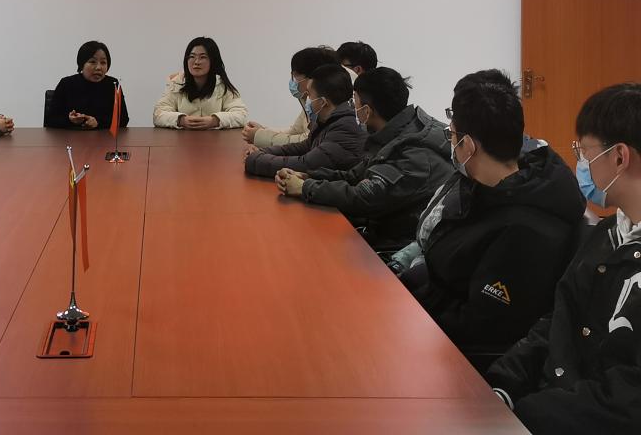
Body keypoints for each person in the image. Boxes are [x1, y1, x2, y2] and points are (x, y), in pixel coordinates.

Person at [392, 70, 585, 359]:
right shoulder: (479, 182)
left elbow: (481, 326)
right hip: (425, 306)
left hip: (458, 351)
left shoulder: (526, 230)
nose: (450, 143)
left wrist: (414, 294)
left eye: (451, 135)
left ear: (468, 146)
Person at [488, 83, 641, 434]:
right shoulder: (607, 234)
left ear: (619, 157)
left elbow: (628, 400)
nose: (581, 164)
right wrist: (502, 385)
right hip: (554, 402)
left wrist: (528, 413)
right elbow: (559, 319)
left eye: (584, 152)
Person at [274, 67, 451, 250]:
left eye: (354, 102)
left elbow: (365, 197)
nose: (352, 108)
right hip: (381, 230)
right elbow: (355, 176)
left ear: (367, 111)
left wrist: (305, 188)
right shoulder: (393, 133)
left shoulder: (413, 152)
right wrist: (308, 177)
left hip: (399, 247)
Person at [245, 64, 365, 178]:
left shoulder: (345, 129)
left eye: (309, 94)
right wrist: (263, 151)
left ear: (322, 102)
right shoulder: (328, 121)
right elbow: (302, 147)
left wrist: (256, 159)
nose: (307, 99)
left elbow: (305, 165)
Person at [242, 46, 337, 148]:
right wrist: (263, 131)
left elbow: (307, 141)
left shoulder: (325, 102)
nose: (293, 81)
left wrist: (259, 136)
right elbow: (295, 131)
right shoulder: (308, 99)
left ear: (311, 78)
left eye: (295, 76)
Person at [154, 37, 247, 130]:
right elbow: (158, 115)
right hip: (184, 138)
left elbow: (241, 115)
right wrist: (181, 120)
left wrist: (215, 121)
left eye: (203, 57)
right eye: (192, 57)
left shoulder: (222, 86)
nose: (196, 62)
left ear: (213, 61)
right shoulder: (176, 84)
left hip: (215, 138)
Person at [45, 41, 129, 130]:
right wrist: (70, 120)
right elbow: (50, 120)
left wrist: (98, 122)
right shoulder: (66, 84)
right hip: (71, 136)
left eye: (103, 62)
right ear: (82, 64)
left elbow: (123, 119)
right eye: (92, 62)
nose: (99, 67)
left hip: (103, 137)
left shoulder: (113, 84)